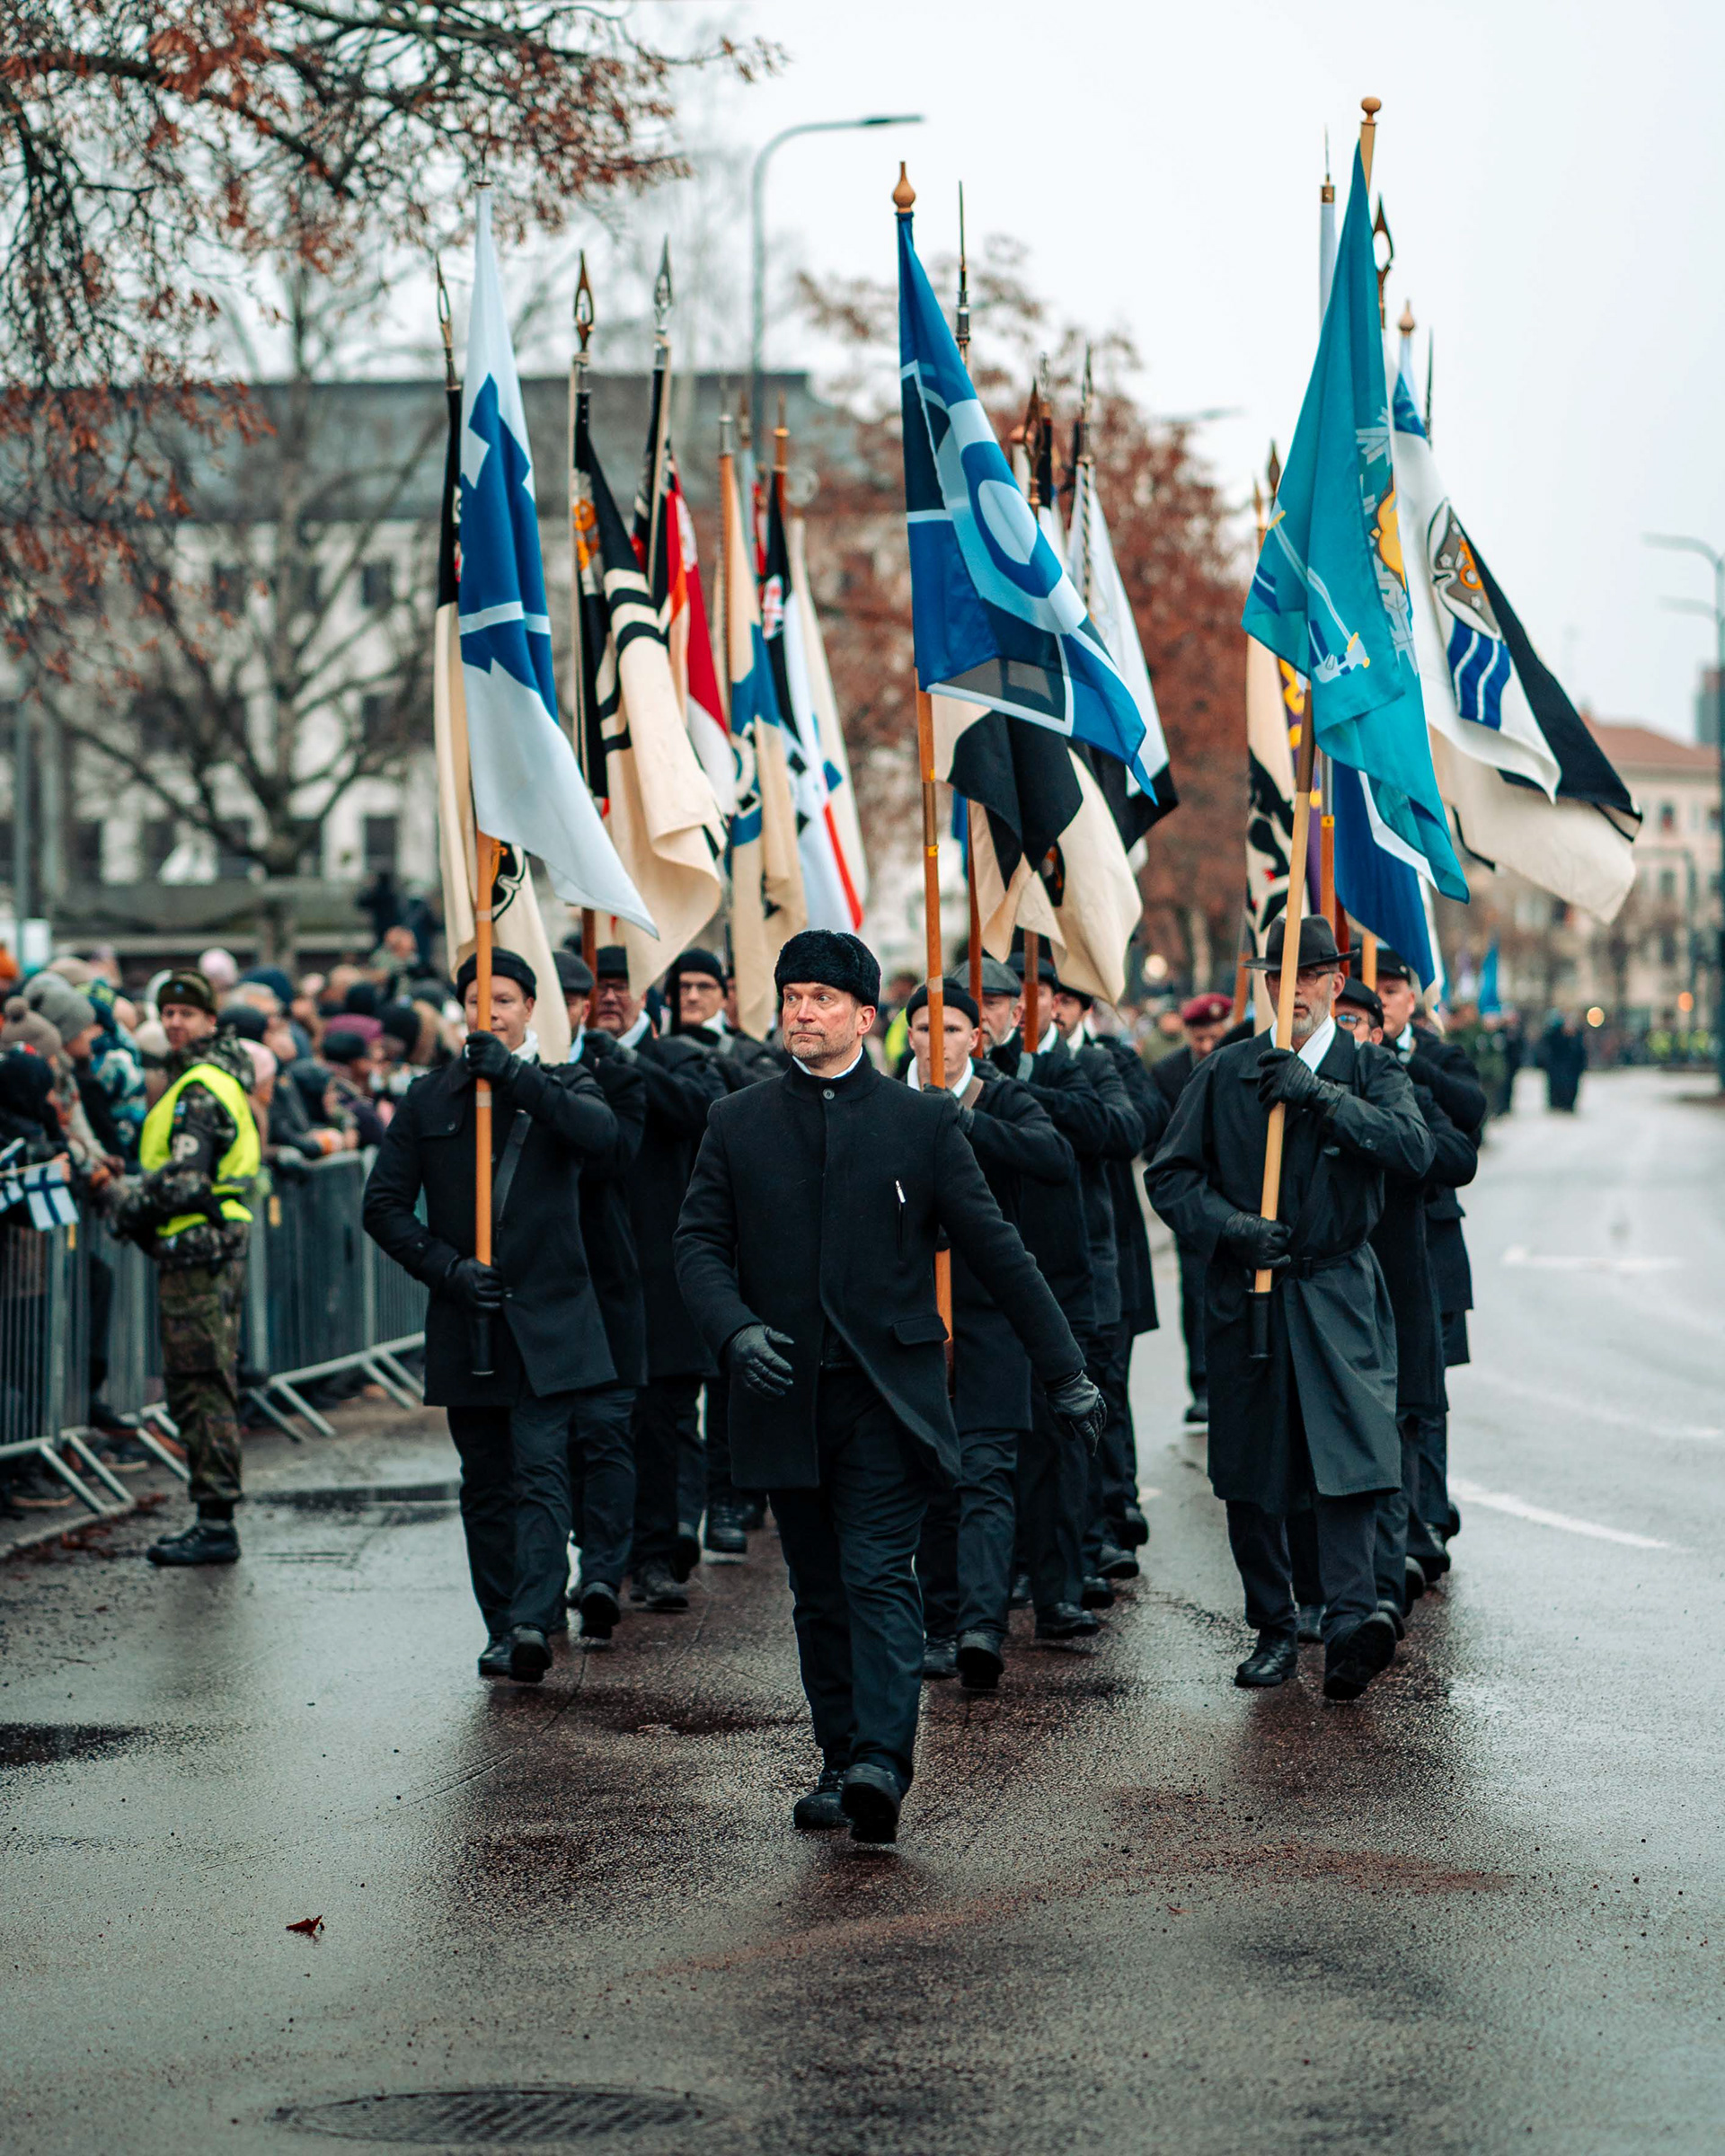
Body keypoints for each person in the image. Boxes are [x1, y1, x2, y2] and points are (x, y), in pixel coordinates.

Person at [675, 931, 1102, 1844]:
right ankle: (838, 1758)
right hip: (784, 1392)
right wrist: (734, 1327)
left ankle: (881, 1761)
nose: (802, 1011)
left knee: (876, 1576)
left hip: (888, 1396)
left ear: (867, 1019)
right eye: (792, 995)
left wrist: (1065, 1370)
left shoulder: (923, 1123)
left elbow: (999, 1249)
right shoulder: (737, 1122)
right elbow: (698, 1246)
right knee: (818, 1590)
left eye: (823, 999)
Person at [1146, 916, 1433, 1702]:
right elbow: (1169, 1177)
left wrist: (1325, 1100)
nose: (1288, 990)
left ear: (1335, 984)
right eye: (1273, 976)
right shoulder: (1227, 1070)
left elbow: (1413, 1151)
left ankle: (1347, 1622)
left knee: (1349, 1462)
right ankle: (1274, 1625)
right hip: (1250, 1296)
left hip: (1337, 1289)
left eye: (1305, 977)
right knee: (1251, 1474)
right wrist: (1230, 1229)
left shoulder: (1370, 1071)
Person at [361, 950, 620, 1683]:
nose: (492, 1013)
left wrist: (515, 1078)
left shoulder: (564, 1083)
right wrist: (446, 1268)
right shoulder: (428, 1097)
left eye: (505, 999)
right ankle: (502, 1622)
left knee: (542, 1473)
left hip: (550, 1321)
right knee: (486, 1483)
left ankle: (534, 1620)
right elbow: (381, 1206)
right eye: (478, 999)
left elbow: (604, 1143)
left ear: (530, 1008)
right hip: (467, 1321)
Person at [902, 977, 1073, 1692]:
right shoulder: (884, 1102)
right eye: (921, 1028)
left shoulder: (1002, 1099)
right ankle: (939, 1623)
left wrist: (967, 1125)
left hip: (990, 1317)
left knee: (986, 1471)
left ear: (977, 1038)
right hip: (913, 1319)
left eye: (950, 1029)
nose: (934, 1042)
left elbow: (1053, 1156)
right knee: (930, 1478)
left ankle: (980, 1624)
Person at [1332, 977, 1477, 1622]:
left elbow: (1453, 1150)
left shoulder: (1410, 1083)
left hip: (1405, 1270)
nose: (1349, 1033)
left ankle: (1413, 1544)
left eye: (1359, 1021)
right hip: (1331, 1278)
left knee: (1411, 1415)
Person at [588, 946, 728, 1605]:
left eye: (621, 985)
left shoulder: (678, 1056)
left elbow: (700, 1110)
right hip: (590, 1273)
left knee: (659, 1425)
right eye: (597, 986)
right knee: (593, 1429)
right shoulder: (567, 1061)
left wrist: (626, 1061)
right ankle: (599, 1560)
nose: (609, 997)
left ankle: (652, 1557)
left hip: (660, 1275)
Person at [109, 970, 261, 1567]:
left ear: (208, 1021)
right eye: (166, 1013)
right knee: (208, 1380)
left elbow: (185, 1180)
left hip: (197, 1252)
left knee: (199, 1386)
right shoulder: (217, 1077)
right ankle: (214, 1515)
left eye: (186, 1014)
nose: (174, 1023)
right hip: (210, 1247)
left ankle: (215, 1520)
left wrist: (128, 1208)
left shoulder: (198, 1087)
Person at [976, 956, 1103, 1641]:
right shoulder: (931, 1091)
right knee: (989, 1446)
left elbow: (1100, 1129)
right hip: (973, 1296)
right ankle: (990, 1592)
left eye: (996, 1003)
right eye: (974, 1006)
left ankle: (1059, 1587)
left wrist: (992, 1101)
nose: (985, 1017)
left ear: (1019, 1011)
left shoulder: (1060, 1071)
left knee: (1059, 1440)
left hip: (1055, 1281)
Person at [1373, 950, 1487, 1573]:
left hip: (1435, 1247)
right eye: (1377, 992)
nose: (1385, 1001)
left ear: (1411, 1000)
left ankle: (1431, 1517)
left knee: (1427, 1396)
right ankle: (1400, 1521)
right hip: (1382, 1247)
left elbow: (1472, 1116)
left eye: (1393, 990)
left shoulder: (1438, 1057)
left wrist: (1413, 1067)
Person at [1050, 976, 1161, 1573]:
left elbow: (1141, 1124)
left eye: (1064, 1000)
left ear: (1082, 1006)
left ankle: (1117, 1511)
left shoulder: (1112, 1058)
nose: (1054, 1009)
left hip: (1110, 1243)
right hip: (1051, 1252)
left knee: (1106, 1387)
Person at [556, 950, 648, 1644]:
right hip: (538, 1287)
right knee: (547, 1449)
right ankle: (539, 1585)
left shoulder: (616, 1073)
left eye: (574, 996)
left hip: (608, 1277)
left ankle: (602, 1573)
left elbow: (614, 1154)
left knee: (608, 1433)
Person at [1151, 992, 1238, 1427]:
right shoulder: (1167, 1073)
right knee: (1196, 1296)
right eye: (1199, 1038)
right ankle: (1202, 1384)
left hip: (1238, 1200)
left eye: (1215, 1037)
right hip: (1192, 1203)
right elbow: (1156, 1141)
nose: (1207, 1046)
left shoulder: (1244, 1063)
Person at [1536, 1012, 1588, 1112]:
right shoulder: (1555, 1037)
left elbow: (1581, 1055)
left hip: (1572, 1073)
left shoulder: (1577, 1038)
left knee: (1570, 1092)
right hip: (1557, 1072)